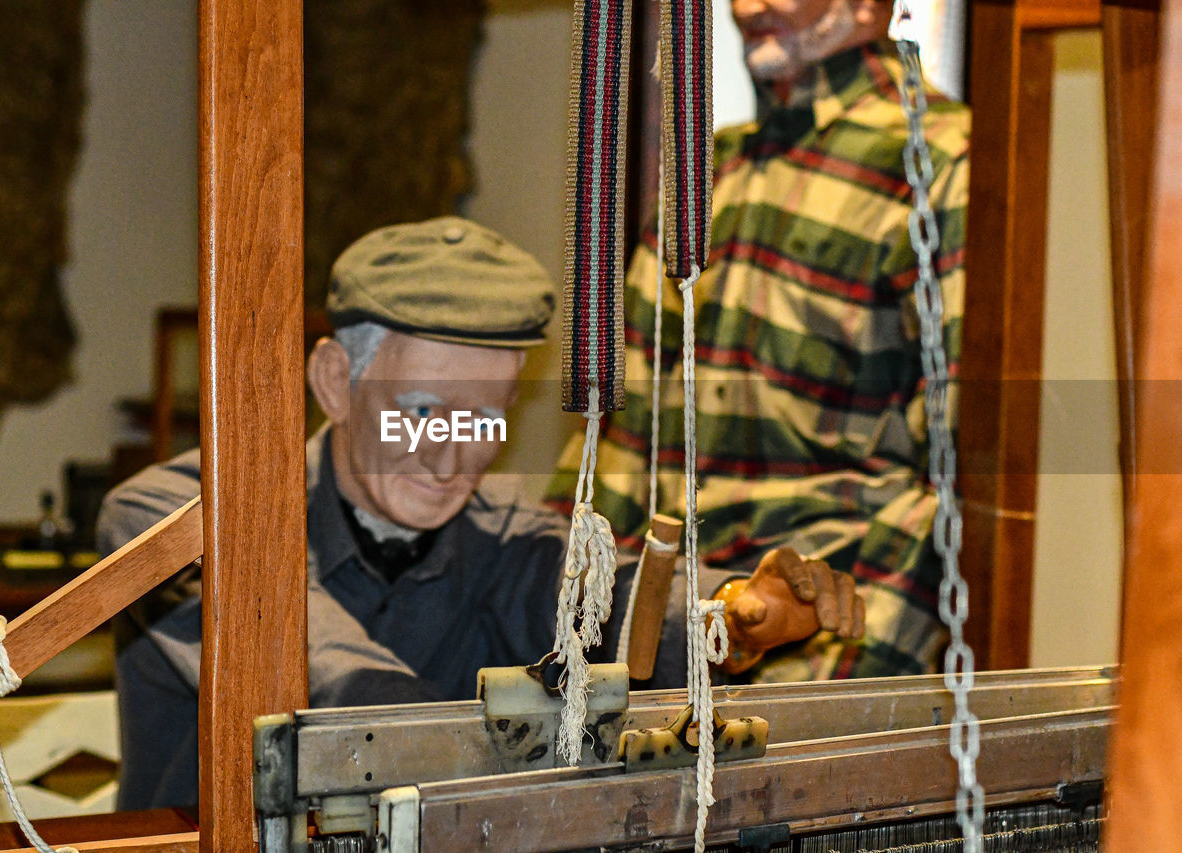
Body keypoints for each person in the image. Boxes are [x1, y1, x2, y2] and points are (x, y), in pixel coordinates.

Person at [99, 216, 865, 810]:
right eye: (422, 412)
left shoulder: (501, 534)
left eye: (483, 421)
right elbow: (327, 678)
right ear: (335, 381)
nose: (450, 460)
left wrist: (735, 619)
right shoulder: (169, 519)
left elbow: (611, 603)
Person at [546, 0, 970, 683]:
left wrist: (845, 688)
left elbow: (953, 474)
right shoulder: (708, 166)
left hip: (816, 648)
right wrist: (561, 621)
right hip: (673, 639)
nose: (747, 7)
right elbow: (625, 433)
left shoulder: (939, 162)